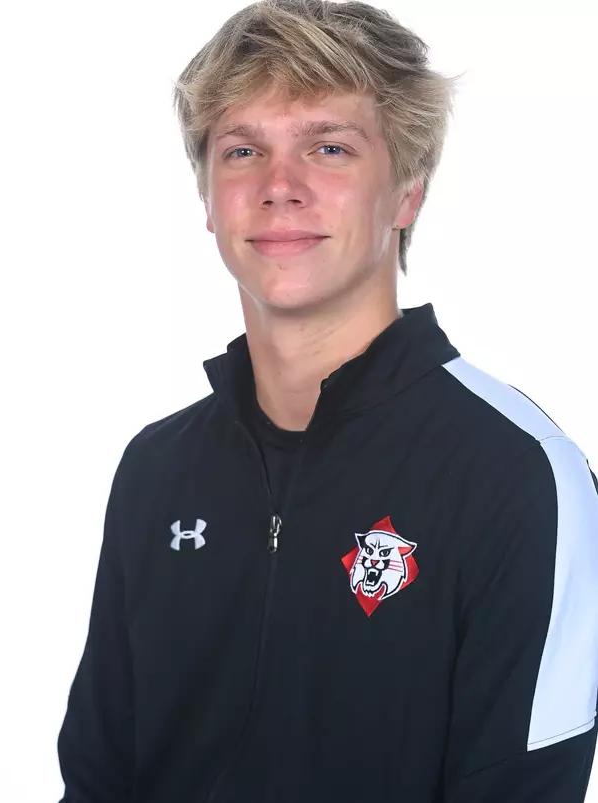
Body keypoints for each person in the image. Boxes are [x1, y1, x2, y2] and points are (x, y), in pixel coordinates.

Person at [56, 1, 598, 801]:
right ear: (208, 198)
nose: (279, 186)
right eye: (242, 150)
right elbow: (100, 780)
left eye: (329, 147)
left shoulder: (518, 474)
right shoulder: (156, 469)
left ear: (406, 192)